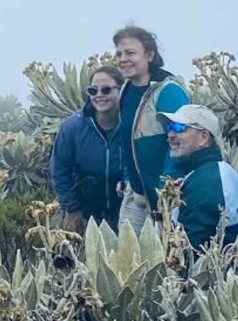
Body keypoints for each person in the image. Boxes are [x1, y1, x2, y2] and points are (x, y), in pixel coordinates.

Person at [113, 24, 189, 232]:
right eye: (119, 54)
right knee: (127, 250)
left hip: (167, 200)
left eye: (130, 53)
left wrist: (165, 193)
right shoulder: (126, 91)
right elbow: (127, 142)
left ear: (149, 55)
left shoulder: (168, 91)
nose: (122, 59)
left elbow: (183, 144)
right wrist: (127, 179)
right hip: (137, 196)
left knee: (167, 251)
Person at [158, 104, 238, 254]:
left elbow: (191, 250)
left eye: (179, 127)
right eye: (170, 127)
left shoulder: (204, 183)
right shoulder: (223, 171)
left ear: (204, 137)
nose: (170, 135)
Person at [49, 65, 127, 230]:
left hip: (126, 210)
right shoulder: (72, 127)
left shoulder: (132, 123)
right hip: (85, 211)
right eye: (93, 90)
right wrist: (72, 209)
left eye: (106, 90)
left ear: (121, 90)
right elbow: (59, 170)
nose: (99, 95)